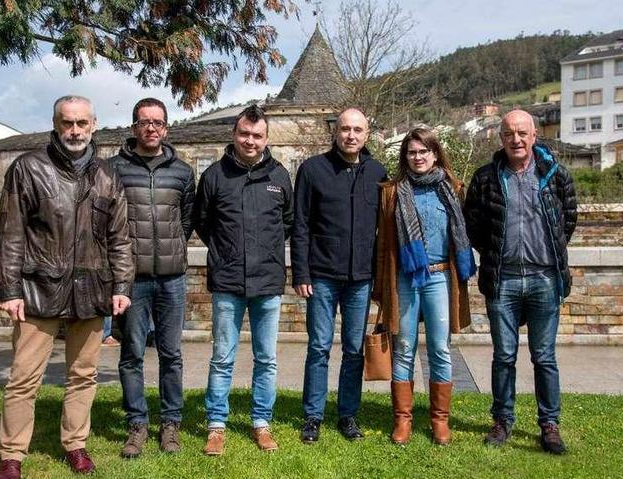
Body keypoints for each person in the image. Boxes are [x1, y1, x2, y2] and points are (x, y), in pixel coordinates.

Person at [0, 95, 134, 479]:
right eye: (67, 123)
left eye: (82, 123)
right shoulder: (28, 168)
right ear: (56, 124)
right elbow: (9, 234)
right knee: (23, 378)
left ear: (93, 125)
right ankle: (12, 454)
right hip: (37, 291)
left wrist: (122, 285)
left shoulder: (107, 175)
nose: (74, 130)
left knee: (83, 375)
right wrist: (9, 290)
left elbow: (119, 238)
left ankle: (76, 445)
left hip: (92, 291)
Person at [463, 109, 577, 454]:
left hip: (545, 278)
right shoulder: (485, 178)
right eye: (510, 133)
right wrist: (496, 253)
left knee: (544, 357)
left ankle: (550, 424)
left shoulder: (556, 175)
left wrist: (547, 253)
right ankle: (502, 421)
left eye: (523, 133)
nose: (516, 139)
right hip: (504, 280)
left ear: (534, 136)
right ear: (501, 138)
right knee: (504, 355)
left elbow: (567, 221)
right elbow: (474, 226)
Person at [192, 105, 293, 456]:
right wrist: (226, 252)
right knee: (222, 357)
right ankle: (216, 425)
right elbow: (203, 223)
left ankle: (261, 422)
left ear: (266, 139)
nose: (250, 141)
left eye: (257, 135)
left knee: (267, 358)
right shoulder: (214, 176)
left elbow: (288, 223)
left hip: (267, 282)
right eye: (244, 134)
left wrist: (265, 251)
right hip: (228, 280)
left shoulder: (279, 177)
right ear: (234, 134)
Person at [372, 127, 476, 445]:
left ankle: (439, 420)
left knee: (440, 349)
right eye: (412, 152)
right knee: (403, 348)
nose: (418, 157)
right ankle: (402, 420)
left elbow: (462, 233)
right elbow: (382, 244)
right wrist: (379, 287)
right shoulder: (391, 192)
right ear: (405, 156)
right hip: (404, 278)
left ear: (435, 154)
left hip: (440, 278)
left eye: (423, 151)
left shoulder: (453, 188)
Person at [291, 107, 387, 443]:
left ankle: (348, 414)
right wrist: (301, 271)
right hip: (321, 277)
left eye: (357, 130)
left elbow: (383, 231)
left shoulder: (378, 172)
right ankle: (312, 416)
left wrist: (380, 277)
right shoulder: (313, 169)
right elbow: (300, 225)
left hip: (361, 279)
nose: (351, 135)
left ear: (367, 134)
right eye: (345, 129)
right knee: (318, 347)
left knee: (353, 350)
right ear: (336, 132)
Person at [108, 97, 196, 457]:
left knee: (171, 353)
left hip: (172, 279)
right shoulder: (112, 169)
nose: (151, 128)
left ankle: (171, 423)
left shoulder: (182, 171)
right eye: (144, 122)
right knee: (131, 353)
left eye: (158, 122)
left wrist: (172, 250)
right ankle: (137, 424)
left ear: (166, 128)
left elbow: (187, 220)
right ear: (134, 127)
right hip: (132, 279)